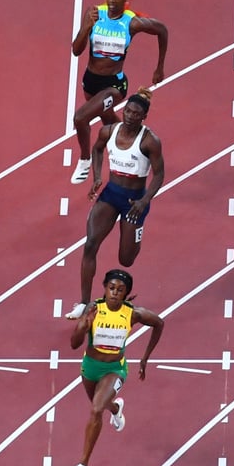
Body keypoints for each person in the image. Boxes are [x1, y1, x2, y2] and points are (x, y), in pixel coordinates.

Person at [64, 88, 164, 320]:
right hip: (110, 195)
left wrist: (145, 200)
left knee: (125, 259)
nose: (129, 116)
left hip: (134, 201)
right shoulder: (108, 130)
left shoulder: (150, 141)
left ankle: (138, 228)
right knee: (90, 245)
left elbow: (159, 174)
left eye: (135, 113)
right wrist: (97, 177)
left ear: (143, 117)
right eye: (127, 111)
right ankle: (83, 303)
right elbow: (97, 150)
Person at [69, 0, 168, 184]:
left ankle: (85, 159)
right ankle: (139, 141)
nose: (112, 1)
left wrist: (159, 68)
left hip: (114, 86)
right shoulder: (94, 13)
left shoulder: (131, 23)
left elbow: (162, 30)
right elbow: (76, 51)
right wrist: (87, 27)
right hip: (90, 82)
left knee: (80, 118)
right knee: (108, 122)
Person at [70, 269, 165, 466]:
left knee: (95, 410)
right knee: (101, 405)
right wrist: (83, 325)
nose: (114, 293)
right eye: (111, 288)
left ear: (126, 293)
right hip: (90, 367)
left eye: (120, 290)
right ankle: (116, 408)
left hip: (114, 369)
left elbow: (159, 323)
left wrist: (145, 358)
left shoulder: (132, 313)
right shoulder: (94, 309)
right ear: (104, 289)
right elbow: (74, 344)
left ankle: (82, 465)